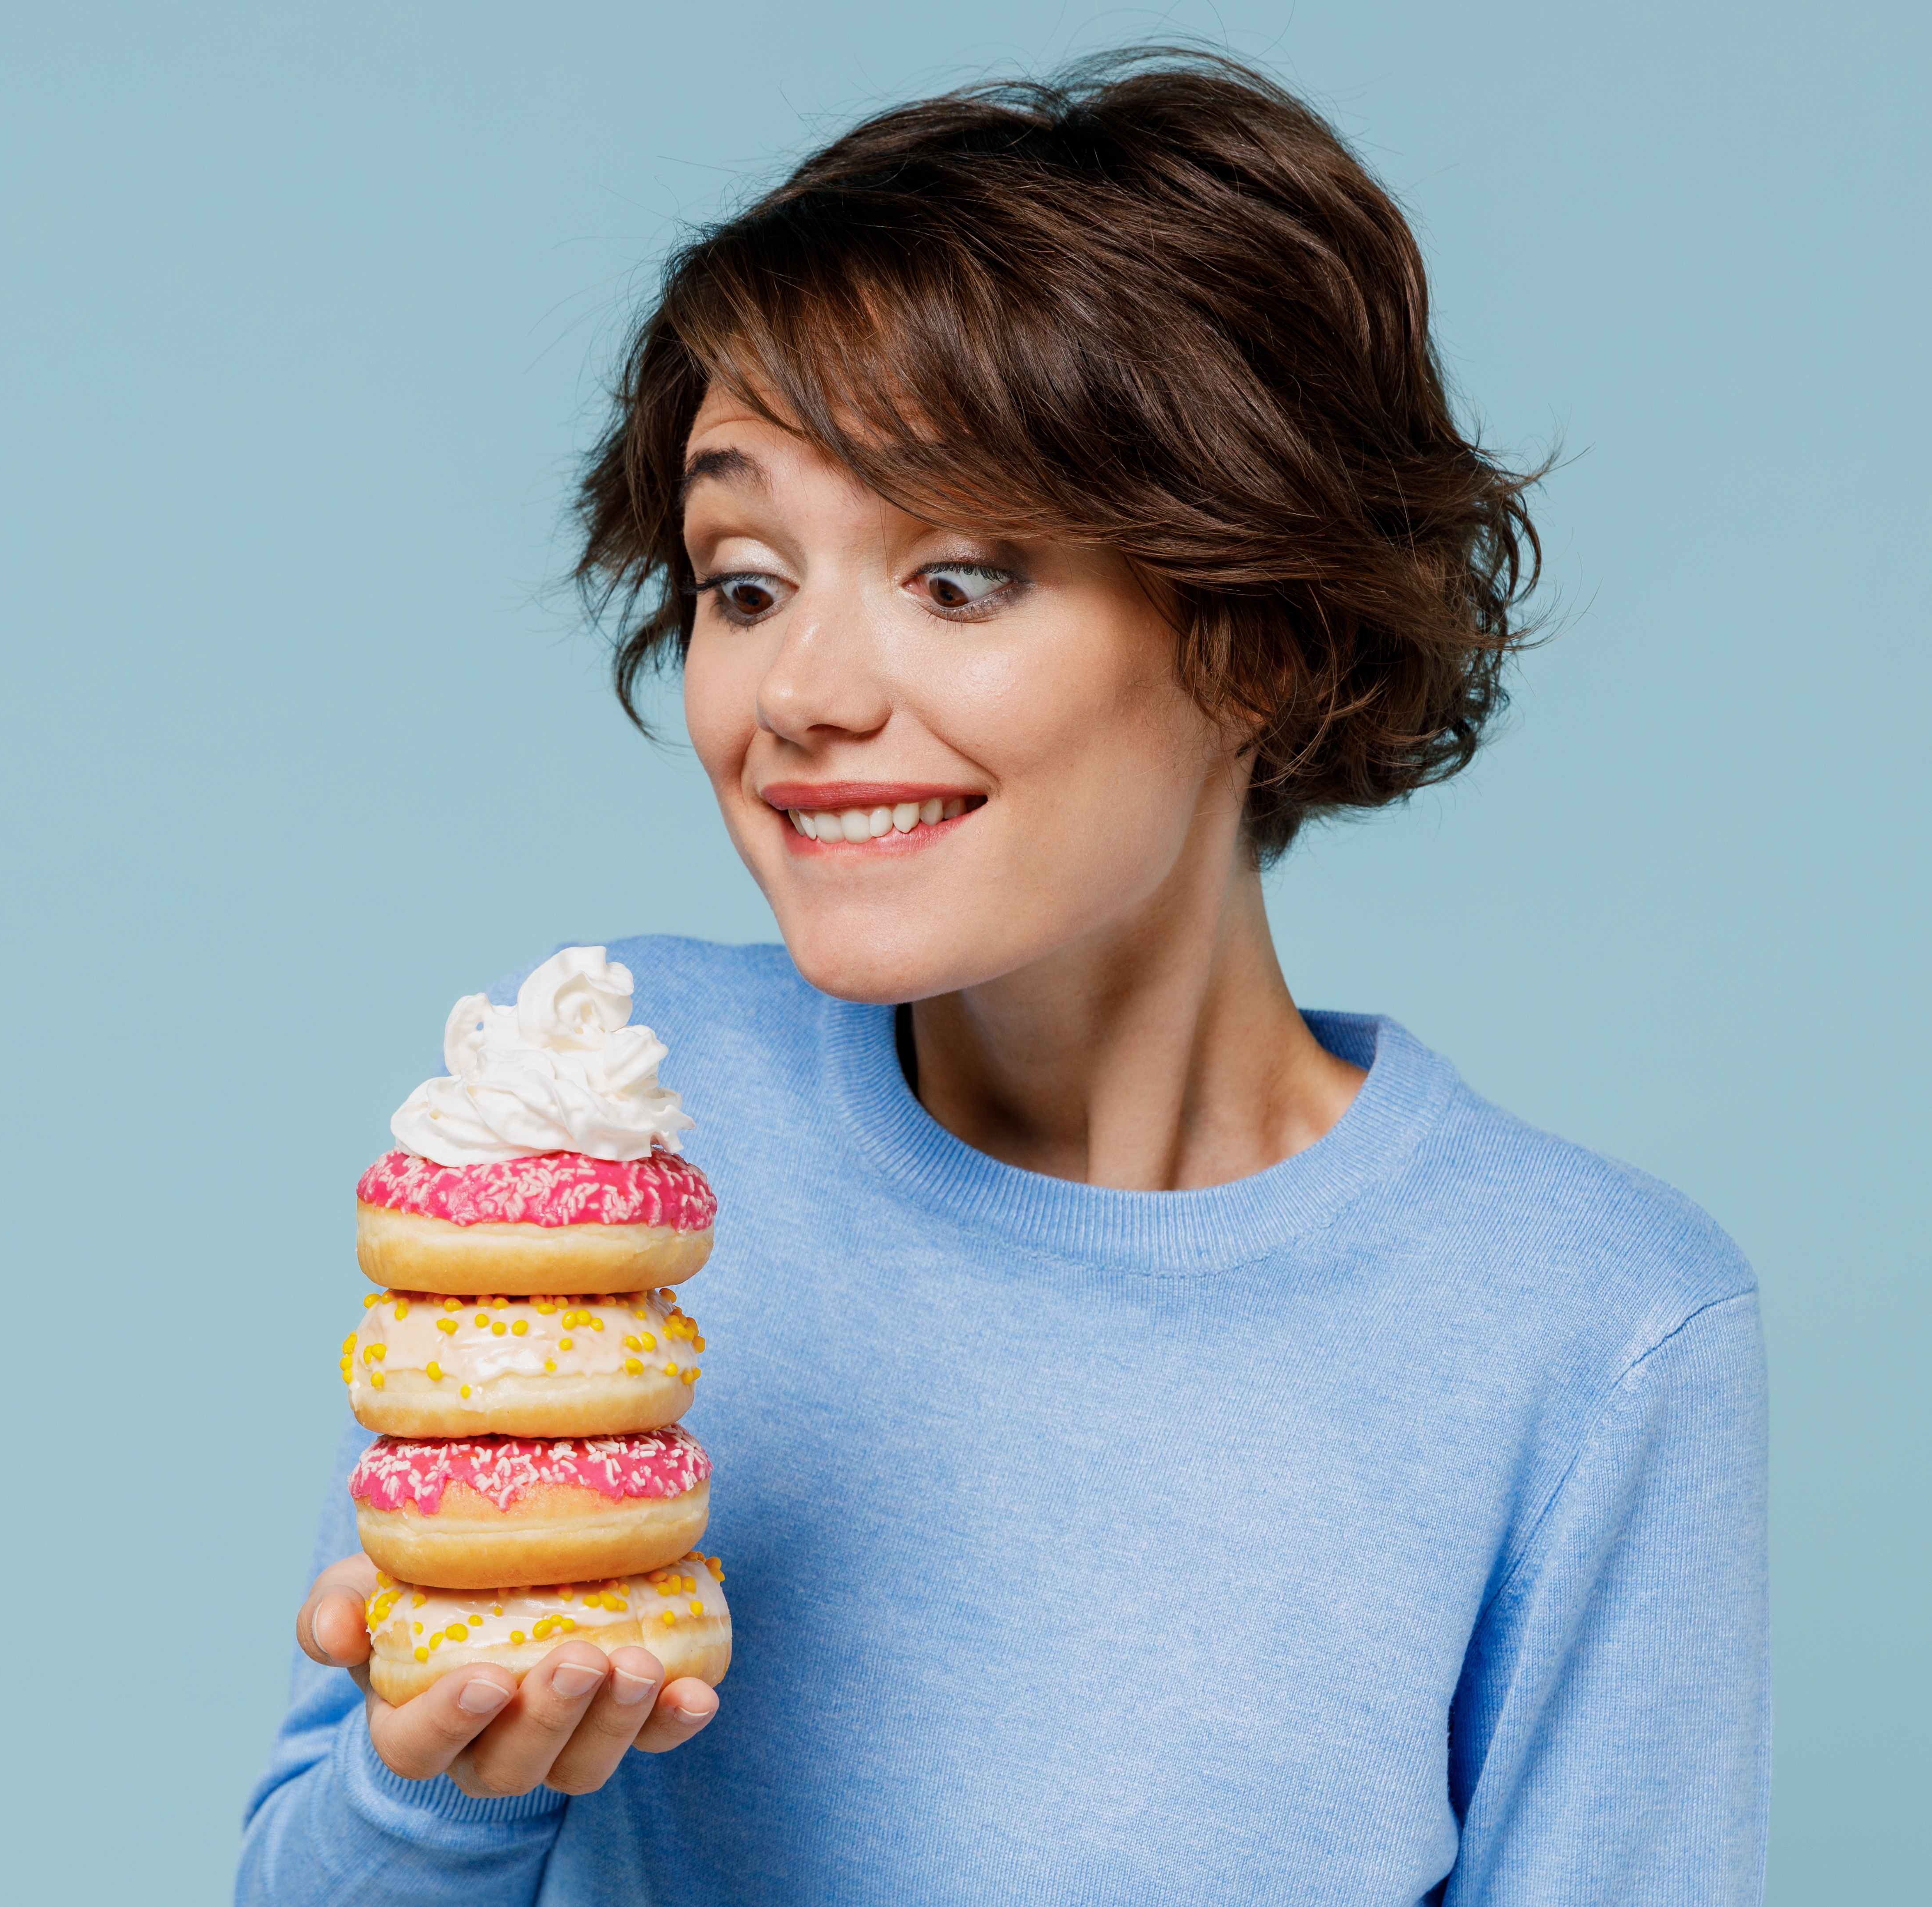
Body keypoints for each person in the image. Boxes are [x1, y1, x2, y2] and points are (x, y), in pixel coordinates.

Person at [239, 49, 1767, 1906]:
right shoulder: (603, 1123)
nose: (799, 692)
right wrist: (440, 1791)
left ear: (1262, 638)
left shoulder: (1588, 1330)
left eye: (957, 577)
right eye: (744, 578)